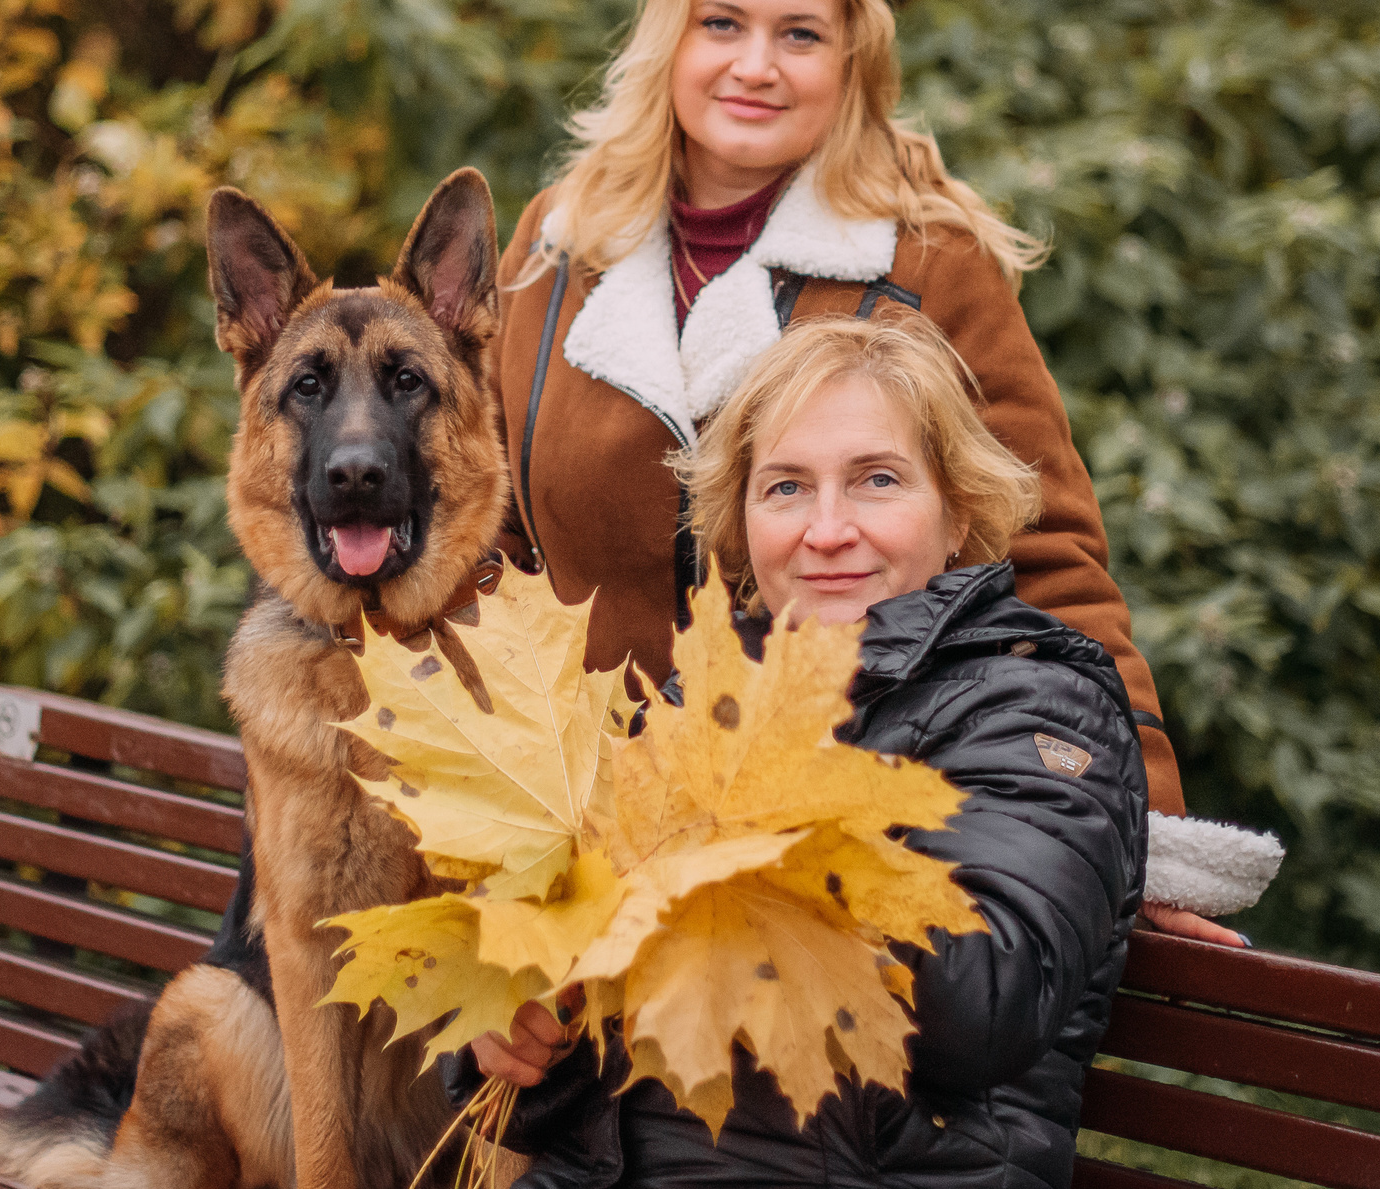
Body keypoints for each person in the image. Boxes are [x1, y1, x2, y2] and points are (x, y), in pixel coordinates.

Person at [494, 0, 1272, 938]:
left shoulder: (927, 262)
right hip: (580, 841)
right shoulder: (556, 245)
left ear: (854, 56)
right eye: (722, 23)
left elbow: (1050, 563)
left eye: (800, 34)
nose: (755, 65)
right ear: (669, 33)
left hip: (840, 858)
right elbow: (488, 547)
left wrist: (1143, 848)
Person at [459, 315, 1171, 1188]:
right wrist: (523, 1030)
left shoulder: (1038, 709)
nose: (827, 529)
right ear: (744, 520)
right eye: (787, 487)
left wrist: (773, 829)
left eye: (877, 480)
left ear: (958, 510)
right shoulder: (703, 695)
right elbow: (585, 1045)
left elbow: (983, 1009)